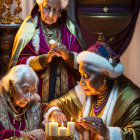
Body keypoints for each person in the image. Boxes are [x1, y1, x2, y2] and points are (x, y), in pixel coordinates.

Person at [44, 42, 140, 140]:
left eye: (87, 77)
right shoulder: (84, 93)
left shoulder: (130, 98)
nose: (82, 83)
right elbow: (56, 103)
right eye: (81, 75)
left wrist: (106, 132)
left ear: (104, 76)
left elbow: (137, 134)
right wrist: (55, 112)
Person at [9, 0, 85, 103]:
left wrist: (69, 56)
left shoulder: (71, 30)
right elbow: (18, 67)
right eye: (47, 8)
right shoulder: (29, 30)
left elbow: (84, 66)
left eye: (56, 10)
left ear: (61, 11)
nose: (50, 14)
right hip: (36, 100)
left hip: (67, 101)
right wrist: (43, 60)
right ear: (40, 6)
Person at [0, 65, 45, 140]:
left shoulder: (32, 104)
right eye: (25, 90)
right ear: (11, 85)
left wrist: (54, 111)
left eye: (32, 91)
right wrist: (21, 134)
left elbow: (45, 108)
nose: (29, 98)